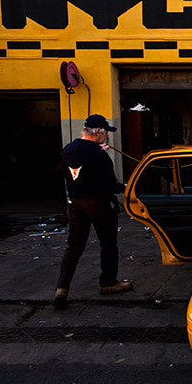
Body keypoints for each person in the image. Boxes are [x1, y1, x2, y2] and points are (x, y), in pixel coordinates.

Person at [53, 114, 132, 309]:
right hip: (99, 204)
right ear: (97, 132)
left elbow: (70, 172)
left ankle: (61, 288)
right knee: (108, 244)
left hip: (76, 204)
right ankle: (109, 283)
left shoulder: (69, 150)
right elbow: (107, 185)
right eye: (105, 133)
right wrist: (124, 187)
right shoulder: (99, 155)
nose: (106, 137)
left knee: (74, 246)